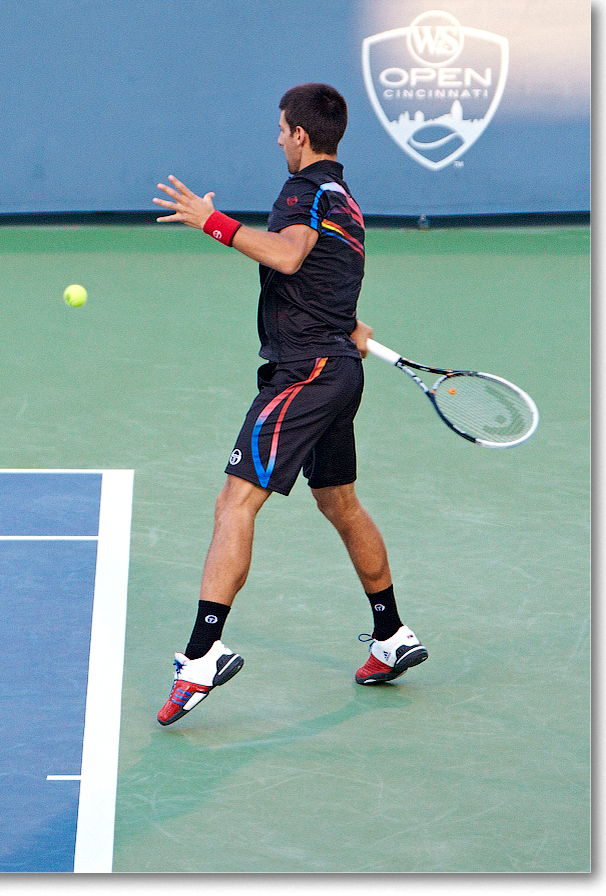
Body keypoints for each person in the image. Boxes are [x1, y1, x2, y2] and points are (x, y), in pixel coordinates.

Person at [153, 83, 427, 727]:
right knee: (339, 502)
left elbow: (288, 253)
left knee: (234, 502)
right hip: (338, 367)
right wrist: (349, 324)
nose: (277, 138)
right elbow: (329, 278)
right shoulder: (347, 202)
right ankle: (391, 637)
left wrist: (211, 222)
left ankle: (201, 655)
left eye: (282, 129)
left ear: (301, 136)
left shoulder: (302, 192)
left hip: (304, 373)